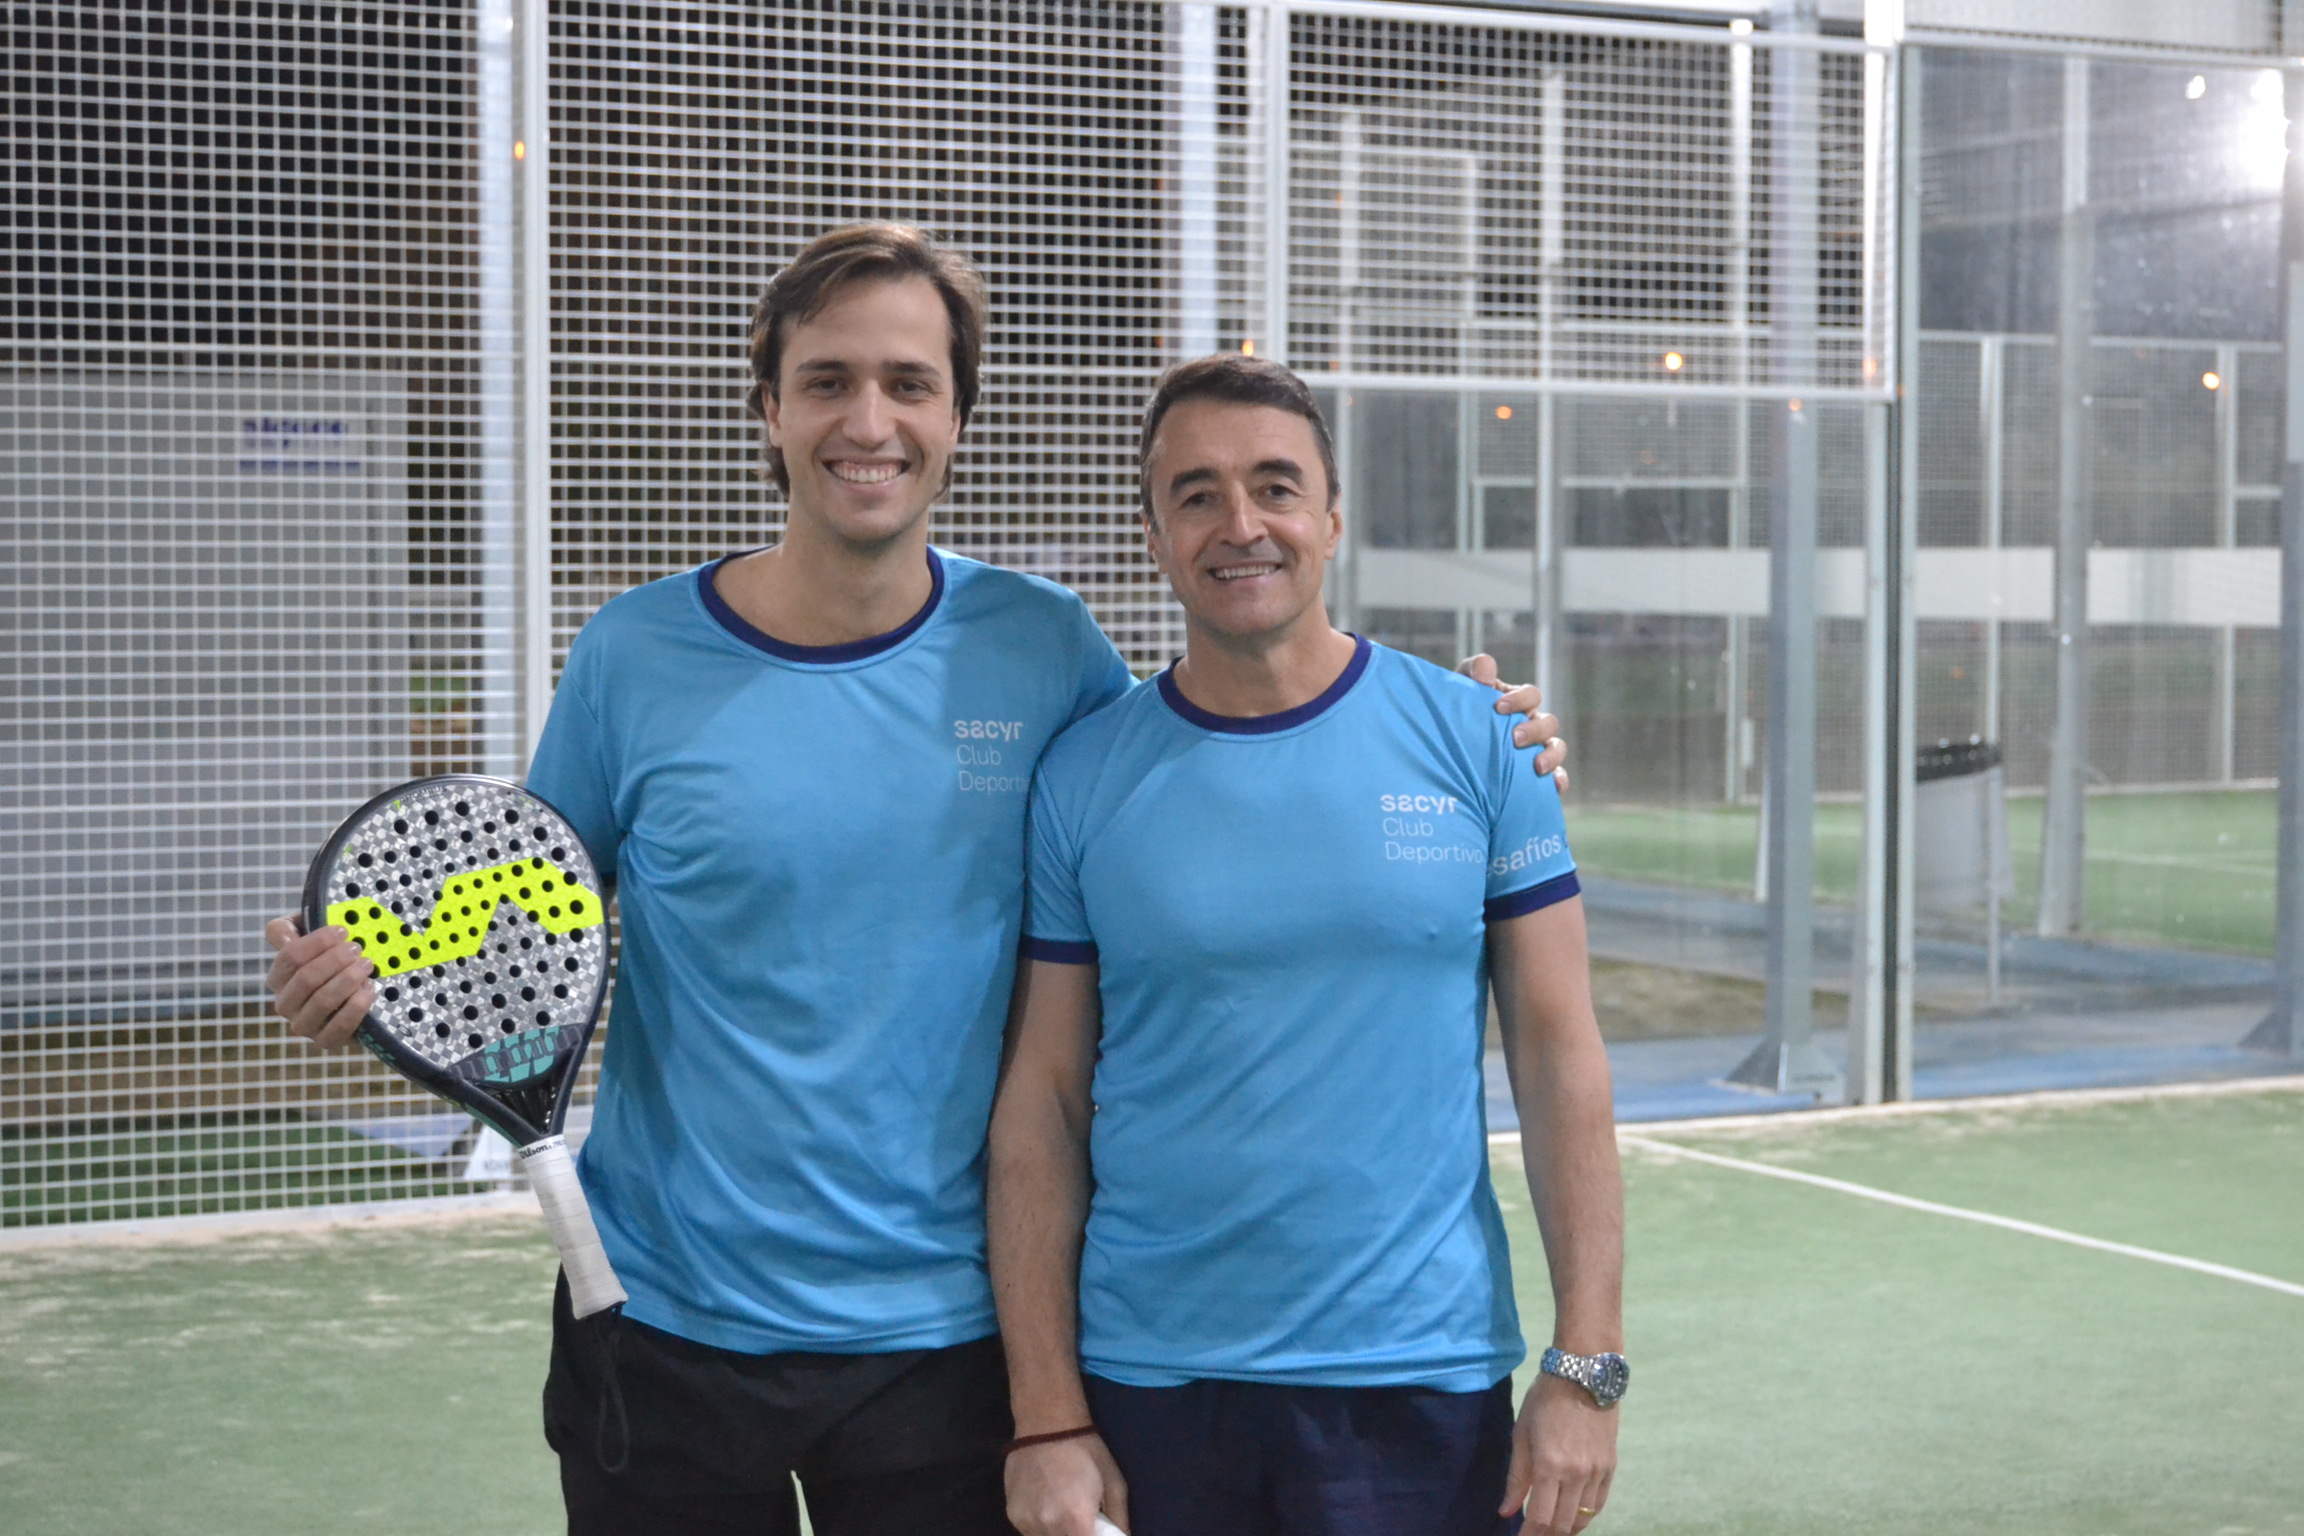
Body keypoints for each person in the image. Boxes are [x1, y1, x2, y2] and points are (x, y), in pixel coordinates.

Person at [261, 225, 1567, 1536]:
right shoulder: (632, 655)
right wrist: (366, 982)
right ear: (770, 411)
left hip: (956, 1352)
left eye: (908, 384)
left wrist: (1464, 729)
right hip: (662, 1325)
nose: (868, 422)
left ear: (956, 419)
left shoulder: (1045, 647)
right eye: (827, 382)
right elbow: (516, 927)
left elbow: (1207, 757)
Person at [990, 355, 1623, 1536]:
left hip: (1420, 1383)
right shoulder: (1081, 776)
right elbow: (1045, 1098)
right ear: (1153, 536)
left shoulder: (1481, 743)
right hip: (1155, 1386)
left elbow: (1559, 1058)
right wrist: (1047, 1416)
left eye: (1276, 487)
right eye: (1197, 495)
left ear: (1331, 518)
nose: (1242, 525)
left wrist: (1586, 1368)